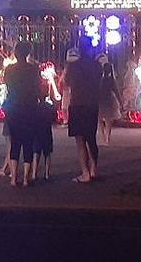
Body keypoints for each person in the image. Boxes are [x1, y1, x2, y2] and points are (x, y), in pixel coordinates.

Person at [61, 43, 101, 183]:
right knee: (91, 138)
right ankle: (93, 169)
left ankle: (85, 173)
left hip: (77, 104)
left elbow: (66, 82)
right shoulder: (96, 66)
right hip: (91, 104)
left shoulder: (73, 66)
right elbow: (99, 83)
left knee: (80, 140)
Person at [3, 42, 40, 187]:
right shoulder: (33, 70)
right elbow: (37, 88)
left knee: (15, 142)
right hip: (30, 107)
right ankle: (25, 177)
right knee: (28, 142)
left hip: (13, 106)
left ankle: (13, 178)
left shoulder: (10, 70)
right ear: (27, 53)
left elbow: (7, 85)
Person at [32, 96, 57, 181]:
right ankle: (46, 174)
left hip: (37, 132)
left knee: (36, 153)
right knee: (47, 154)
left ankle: (34, 174)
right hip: (46, 131)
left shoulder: (35, 107)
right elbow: (54, 118)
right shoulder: (49, 107)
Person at [98, 62, 122, 145]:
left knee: (100, 120)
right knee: (108, 121)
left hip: (101, 101)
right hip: (109, 100)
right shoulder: (111, 79)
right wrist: (120, 101)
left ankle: (103, 137)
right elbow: (116, 91)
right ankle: (107, 137)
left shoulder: (100, 79)